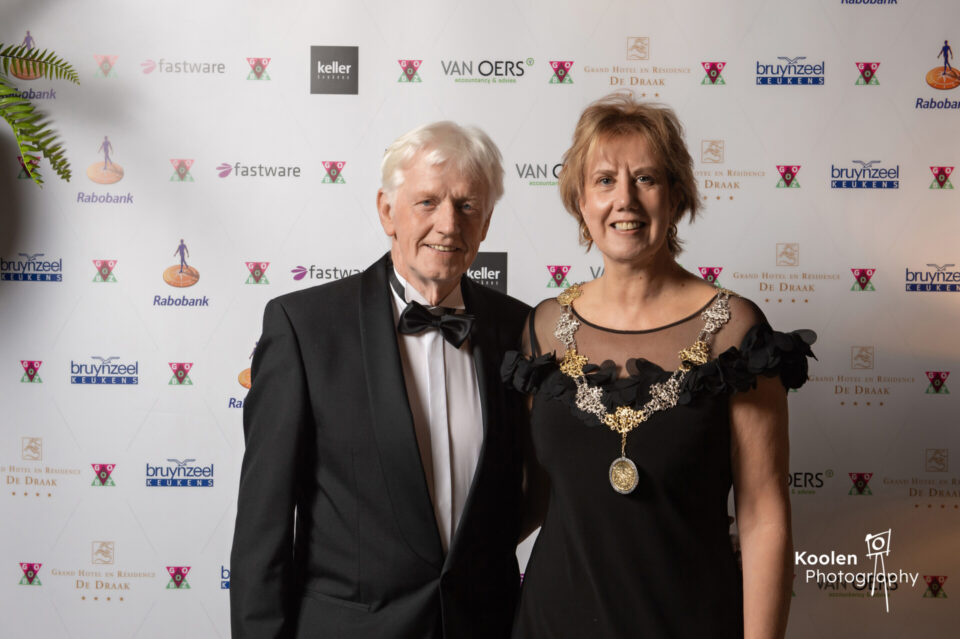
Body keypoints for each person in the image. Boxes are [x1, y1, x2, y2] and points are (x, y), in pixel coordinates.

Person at [502, 93, 816, 638]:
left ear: (675, 195)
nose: (624, 199)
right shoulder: (543, 328)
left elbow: (764, 518)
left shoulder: (736, 330)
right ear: (580, 200)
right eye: (604, 180)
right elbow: (528, 497)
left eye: (645, 179)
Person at [231, 121, 530, 638]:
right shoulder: (304, 328)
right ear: (387, 211)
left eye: (466, 206)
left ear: (485, 223)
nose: (448, 225)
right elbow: (264, 530)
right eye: (427, 202)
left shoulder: (521, 330)